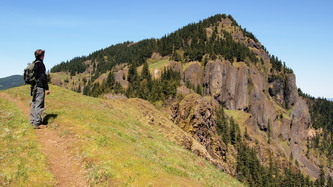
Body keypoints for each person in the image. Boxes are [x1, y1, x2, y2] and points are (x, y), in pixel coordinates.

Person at [30, 49, 50, 129]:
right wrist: (47, 88)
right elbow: (43, 77)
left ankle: (32, 121)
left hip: (34, 87)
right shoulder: (40, 64)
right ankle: (37, 123)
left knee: (34, 103)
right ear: (42, 56)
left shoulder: (33, 63)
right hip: (40, 87)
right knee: (39, 104)